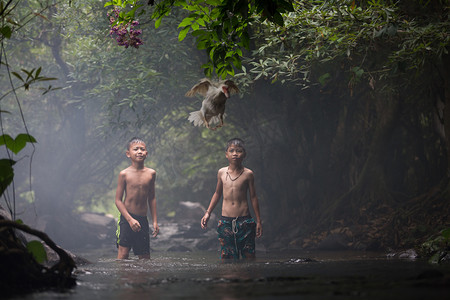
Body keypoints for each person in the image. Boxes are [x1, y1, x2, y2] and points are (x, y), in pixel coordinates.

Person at [201, 138, 262, 259]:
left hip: (244, 221)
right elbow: (217, 194)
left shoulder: (248, 174)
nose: (235, 153)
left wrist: (259, 221)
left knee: (249, 256)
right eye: (232, 150)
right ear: (226, 154)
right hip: (225, 222)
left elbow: (253, 197)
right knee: (227, 257)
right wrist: (207, 213)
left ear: (244, 154)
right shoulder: (222, 172)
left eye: (239, 151)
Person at [115, 137, 159, 259]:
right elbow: (118, 200)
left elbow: (152, 198)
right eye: (135, 149)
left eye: (142, 149)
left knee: (145, 257)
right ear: (128, 154)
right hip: (126, 218)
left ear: (146, 153)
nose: (139, 151)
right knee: (123, 253)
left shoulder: (151, 173)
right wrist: (129, 220)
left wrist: (155, 221)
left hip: (143, 219)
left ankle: (141, 278)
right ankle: (123, 278)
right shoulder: (124, 174)